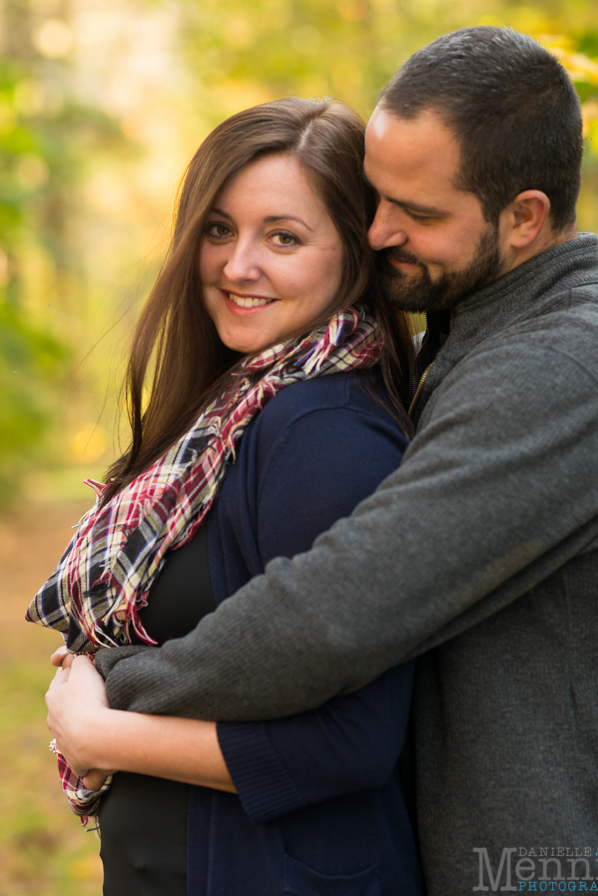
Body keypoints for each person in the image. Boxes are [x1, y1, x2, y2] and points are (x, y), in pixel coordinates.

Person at [48, 27, 598, 893]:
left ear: (523, 218)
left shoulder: (559, 372)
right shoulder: (475, 339)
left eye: (416, 214)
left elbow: (335, 611)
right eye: (376, 198)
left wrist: (113, 683)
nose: (378, 232)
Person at [31, 98, 427, 895]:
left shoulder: (325, 434)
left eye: (282, 236)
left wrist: (101, 732)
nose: (236, 264)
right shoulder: (231, 416)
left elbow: (352, 742)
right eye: (218, 229)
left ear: (351, 254)